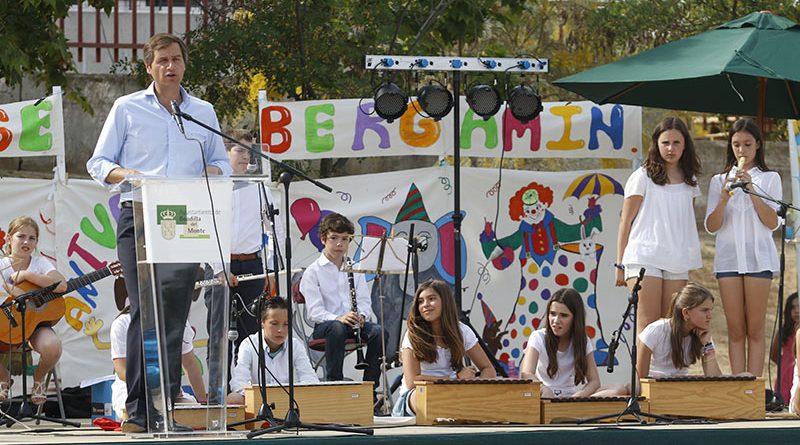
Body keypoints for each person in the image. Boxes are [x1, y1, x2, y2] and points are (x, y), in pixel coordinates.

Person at [86, 33, 231, 433]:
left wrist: (212, 171)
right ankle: (137, 412)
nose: (171, 66)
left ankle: (165, 408)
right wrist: (128, 173)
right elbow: (98, 163)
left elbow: (222, 161)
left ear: (185, 65)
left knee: (176, 316)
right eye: (162, 60)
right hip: (140, 215)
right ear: (149, 67)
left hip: (186, 218)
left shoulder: (202, 111)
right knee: (144, 309)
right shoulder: (127, 107)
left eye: (177, 59)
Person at [204, 128, 284, 404]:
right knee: (219, 333)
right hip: (220, 265)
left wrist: (271, 265)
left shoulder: (258, 186)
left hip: (251, 263)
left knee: (250, 334)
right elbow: (205, 230)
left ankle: (247, 394)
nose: (245, 156)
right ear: (225, 153)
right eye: (239, 150)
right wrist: (218, 266)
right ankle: (218, 396)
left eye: (249, 151)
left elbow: (274, 228)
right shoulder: (212, 186)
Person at [705, 118, 781, 377]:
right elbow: (712, 226)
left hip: (758, 259)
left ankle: (755, 388)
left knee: (755, 329)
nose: (742, 150)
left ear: (758, 145)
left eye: (747, 144)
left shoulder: (770, 178)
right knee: (735, 329)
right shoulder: (719, 181)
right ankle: (738, 386)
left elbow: (772, 223)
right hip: (728, 260)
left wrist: (751, 190)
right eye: (736, 144)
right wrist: (724, 198)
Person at [615, 117, 702, 335]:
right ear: (656, 144)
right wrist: (619, 265)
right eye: (665, 143)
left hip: (676, 259)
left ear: (685, 145)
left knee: (671, 327)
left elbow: (684, 221)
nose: (670, 148)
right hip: (644, 257)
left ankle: (664, 372)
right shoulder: (642, 176)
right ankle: (642, 371)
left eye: (676, 143)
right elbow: (625, 221)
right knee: (648, 327)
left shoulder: (690, 180)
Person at [299, 213, 384, 387]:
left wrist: (361, 316)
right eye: (334, 238)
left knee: (378, 331)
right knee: (337, 328)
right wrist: (339, 318)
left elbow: (364, 302)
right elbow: (315, 313)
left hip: (352, 325)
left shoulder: (355, 267)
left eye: (345, 239)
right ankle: (334, 384)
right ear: (323, 239)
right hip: (327, 327)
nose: (339, 244)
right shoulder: (313, 272)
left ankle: (370, 388)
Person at [392, 279, 495, 416]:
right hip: (418, 395)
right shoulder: (412, 334)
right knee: (427, 397)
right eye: (421, 301)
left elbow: (488, 370)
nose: (425, 305)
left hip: (453, 393)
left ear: (445, 302)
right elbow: (412, 382)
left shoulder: (462, 331)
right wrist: (455, 378)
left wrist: (474, 388)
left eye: (431, 299)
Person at [0, 216, 67, 405]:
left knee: (52, 345)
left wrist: (27, 275)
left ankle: (39, 380)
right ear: (9, 239)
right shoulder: (1, 266)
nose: (26, 242)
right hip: (5, 327)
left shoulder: (40, 263)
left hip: (34, 327)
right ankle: (3, 378)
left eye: (32, 238)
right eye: (21, 236)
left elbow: (61, 285)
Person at [110, 306, 206, 419]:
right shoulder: (123, 322)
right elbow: (122, 370)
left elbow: (190, 364)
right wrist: (156, 387)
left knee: (192, 415)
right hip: (132, 391)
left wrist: (203, 402)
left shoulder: (179, 322)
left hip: (170, 393)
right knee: (134, 416)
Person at [226, 296, 319, 404]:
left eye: (286, 324)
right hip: (257, 401)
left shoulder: (295, 345)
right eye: (274, 324)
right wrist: (259, 398)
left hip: (288, 401)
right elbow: (239, 382)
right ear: (262, 322)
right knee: (233, 399)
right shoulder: (248, 344)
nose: (280, 330)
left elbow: (310, 379)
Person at [519, 288, 601, 398]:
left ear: (575, 319)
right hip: (543, 396)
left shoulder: (583, 341)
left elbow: (594, 381)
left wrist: (577, 397)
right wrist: (543, 389)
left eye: (564, 315)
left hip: (569, 397)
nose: (556, 320)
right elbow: (526, 374)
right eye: (552, 314)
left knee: (618, 390)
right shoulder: (538, 337)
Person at [638, 283, 722, 379]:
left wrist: (707, 346)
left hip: (679, 389)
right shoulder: (655, 330)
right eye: (704, 310)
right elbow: (640, 379)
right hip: (653, 388)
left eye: (711, 310)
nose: (710, 316)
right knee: (619, 390)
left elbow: (716, 381)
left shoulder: (703, 335)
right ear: (686, 313)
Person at [771, 292, 798, 403]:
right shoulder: (784, 332)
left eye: (799, 307)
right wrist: (785, 365)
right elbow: (774, 354)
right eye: (793, 307)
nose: (797, 310)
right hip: (786, 376)